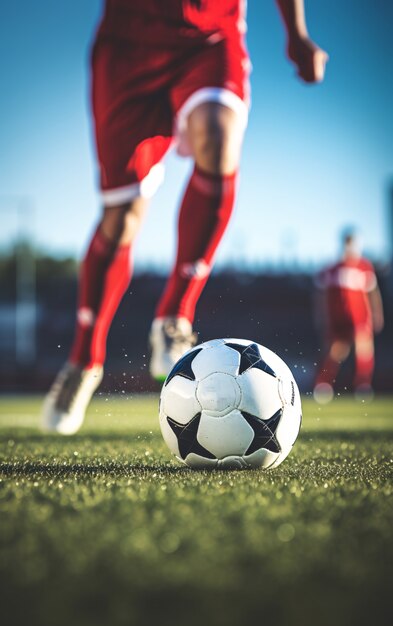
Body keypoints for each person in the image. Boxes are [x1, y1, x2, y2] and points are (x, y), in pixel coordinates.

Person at [42, 0, 328, 434]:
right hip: (127, 44)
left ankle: (175, 314)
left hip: (211, 35)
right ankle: (84, 360)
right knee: (121, 219)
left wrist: (297, 31)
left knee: (217, 136)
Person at [313, 230, 384, 403]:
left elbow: (373, 293)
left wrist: (377, 313)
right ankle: (323, 385)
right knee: (335, 352)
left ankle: (362, 386)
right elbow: (321, 296)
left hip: (360, 318)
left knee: (364, 351)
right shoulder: (331, 269)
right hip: (339, 319)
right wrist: (322, 316)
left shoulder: (364, 267)